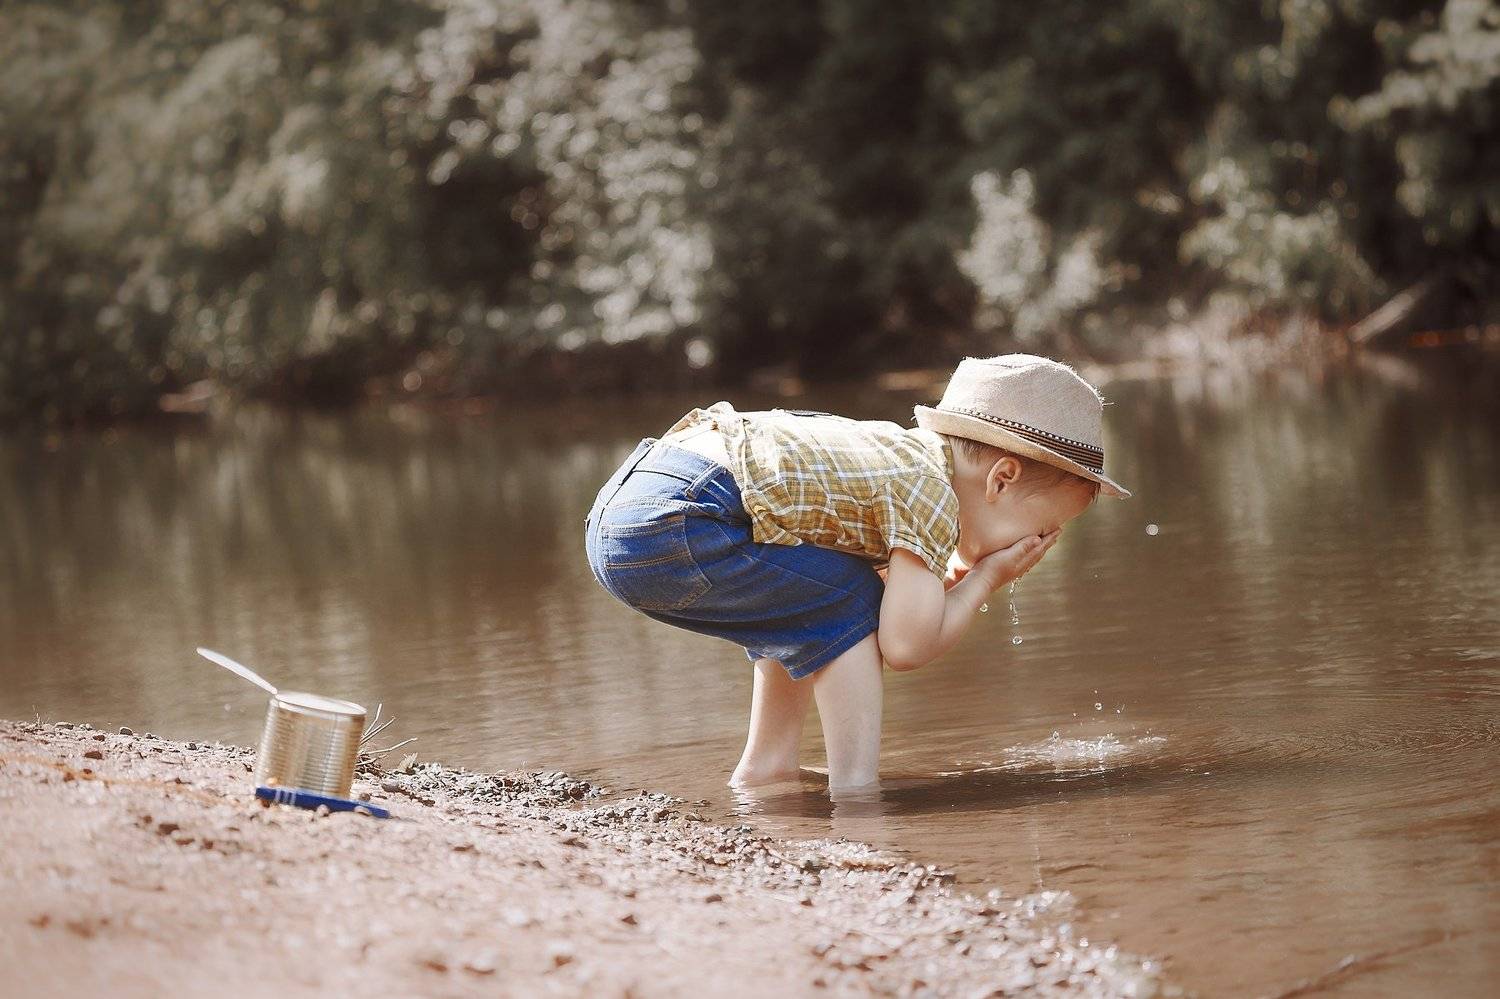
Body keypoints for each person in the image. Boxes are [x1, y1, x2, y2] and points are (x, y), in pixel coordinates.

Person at [583, 354, 1130, 793]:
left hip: (631, 508)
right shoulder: (931, 492)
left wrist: (956, 576)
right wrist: (984, 579)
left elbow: (899, 608)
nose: (1038, 546)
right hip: (682, 519)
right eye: (1042, 529)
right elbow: (906, 645)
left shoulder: (901, 462)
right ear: (1001, 479)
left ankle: (769, 766)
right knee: (849, 601)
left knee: (815, 597)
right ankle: (856, 791)